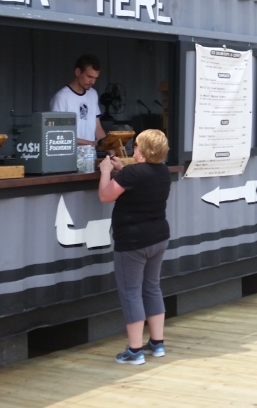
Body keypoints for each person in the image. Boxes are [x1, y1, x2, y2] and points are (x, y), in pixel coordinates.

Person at [98, 129, 173, 365]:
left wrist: (106, 172)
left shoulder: (131, 174)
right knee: (152, 287)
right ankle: (157, 343)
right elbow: (140, 178)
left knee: (131, 292)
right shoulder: (163, 171)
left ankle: (134, 350)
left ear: (142, 150)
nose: (133, 149)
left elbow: (105, 196)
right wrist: (122, 169)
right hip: (158, 237)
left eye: (136, 146)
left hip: (132, 242)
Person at [51, 54, 108, 147]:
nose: (92, 82)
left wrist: (113, 154)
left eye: (95, 78)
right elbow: (57, 134)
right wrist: (89, 143)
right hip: (68, 157)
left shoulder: (93, 94)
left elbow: (97, 128)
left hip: (90, 156)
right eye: (89, 77)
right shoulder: (61, 97)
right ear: (77, 72)